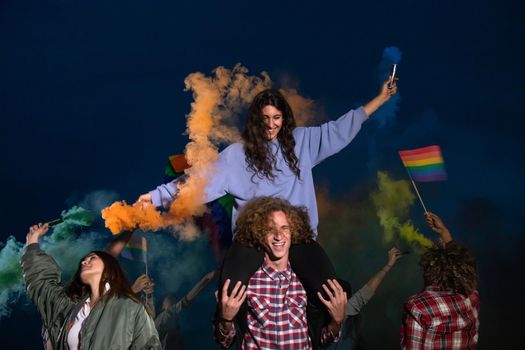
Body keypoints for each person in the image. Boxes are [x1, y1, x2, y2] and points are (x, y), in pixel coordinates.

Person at [136, 80, 398, 296]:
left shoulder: (302, 142)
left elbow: (340, 130)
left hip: (297, 239)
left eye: (276, 117)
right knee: (229, 290)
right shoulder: (237, 155)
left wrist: (380, 99)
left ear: (284, 118)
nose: (270, 124)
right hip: (253, 241)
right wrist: (156, 195)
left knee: (329, 291)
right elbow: (199, 181)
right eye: (265, 118)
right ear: (255, 121)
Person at [214, 197, 347, 349]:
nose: (278, 235)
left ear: (293, 231)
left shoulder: (306, 282)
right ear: (258, 233)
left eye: (285, 228)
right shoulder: (246, 282)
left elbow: (322, 340)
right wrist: (225, 319)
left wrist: (336, 321)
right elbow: (224, 342)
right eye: (270, 230)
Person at [22, 223, 162, 350]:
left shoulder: (130, 308)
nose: (84, 262)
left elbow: (147, 340)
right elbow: (42, 284)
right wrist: (32, 242)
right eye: (84, 260)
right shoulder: (69, 310)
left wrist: (133, 226)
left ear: (108, 270)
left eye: (92, 258)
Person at [400, 212, 480, 349]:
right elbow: (460, 265)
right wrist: (444, 232)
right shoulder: (472, 298)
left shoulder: (417, 307)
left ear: (428, 270)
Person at [154, 270, 216, 350]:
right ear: (162, 307)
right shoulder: (162, 318)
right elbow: (186, 301)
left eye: (174, 298)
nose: (174, 300)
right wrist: (205, 279)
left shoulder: (175, 325)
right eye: (169, 298)